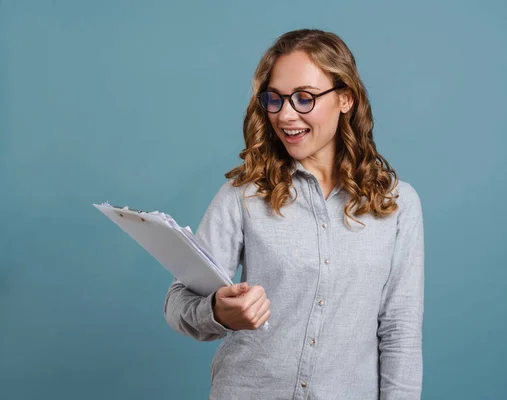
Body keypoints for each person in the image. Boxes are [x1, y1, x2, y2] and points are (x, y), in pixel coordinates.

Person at [164, 29, 424, 400]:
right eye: (275, 99)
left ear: (345, 99)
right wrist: (218, 313)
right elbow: (178, 301)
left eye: (304, 98)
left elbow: (400, 331)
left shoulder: (397, 204)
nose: (285, 115)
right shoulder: (243, 196)